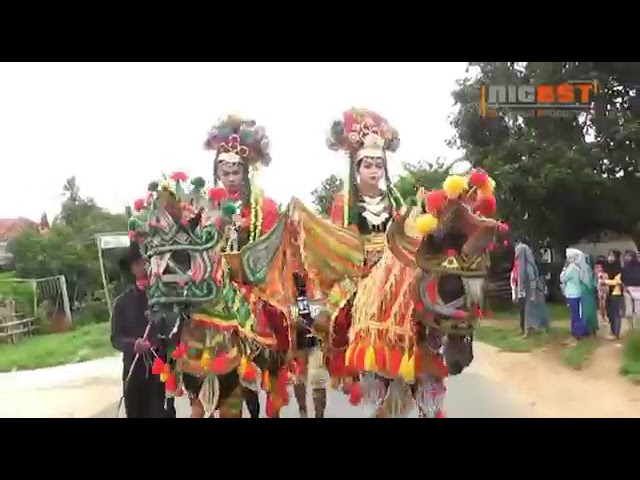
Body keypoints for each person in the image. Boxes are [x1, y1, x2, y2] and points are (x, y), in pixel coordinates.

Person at [204, 115, 288, 418]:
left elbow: (269, 249)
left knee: (279, 322)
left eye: (236, 171)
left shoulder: (263, 207)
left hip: (254, 284)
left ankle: (275, 374)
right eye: (224, 171)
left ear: (246, 172)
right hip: (215, 287)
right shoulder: (205, 207)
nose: (230, 177)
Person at [111, 243, 175, 418]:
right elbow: (116, 339)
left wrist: (160, 344)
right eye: (140, 262)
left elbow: (172, 331)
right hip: (134, 370)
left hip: (159, 370)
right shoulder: (122, 303)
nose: (145, 266)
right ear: (132, 268)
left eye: (148, 261)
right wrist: (134, 345)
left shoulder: (164, 298)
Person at [512, 243, 550, 337]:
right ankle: (530, 330)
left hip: (534, 292)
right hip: (528, 292)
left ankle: (533, 330)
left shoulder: (529, 266)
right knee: (529, 312)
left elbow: (532, 280)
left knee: (534, 311)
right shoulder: (521, 265)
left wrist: (532, 294)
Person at [604, 249, 623, 340]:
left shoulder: (619, 268)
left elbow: (617, 281)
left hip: (616, 293)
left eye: (612, 256)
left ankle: (616, 333)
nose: (610, 257)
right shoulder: (607, 267)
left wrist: (605, 282)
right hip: (608, 293)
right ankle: (612, 331)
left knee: (616, 314)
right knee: (610, 313)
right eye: (609, 255)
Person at [622, 250, 640, 330]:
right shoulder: (625, 267)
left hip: (638, 289)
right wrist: (624, 286)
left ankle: (636, 328)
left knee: (637, 311)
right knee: (629, 312)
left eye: (627, 256)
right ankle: (631, 327)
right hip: (627, 290)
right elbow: (622, 278)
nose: (626, 258)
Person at [582, 255, 599, 336]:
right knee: (591, 312)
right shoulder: (592, 271)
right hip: (590, 294)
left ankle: (587, 329)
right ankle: (593, 329)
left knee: (585, 312)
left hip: (585, 293)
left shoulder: (584, 270)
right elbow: (595, 284)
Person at [595, 256, 609, 325]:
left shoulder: (604, 274)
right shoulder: (596, 274)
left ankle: (604, 317)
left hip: (603, 290)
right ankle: (603, 317)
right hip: (600, 290)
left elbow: (605, 282)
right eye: (596, 267)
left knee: (603, 304)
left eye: (598, 267)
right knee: (601, 304)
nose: (597, 269)